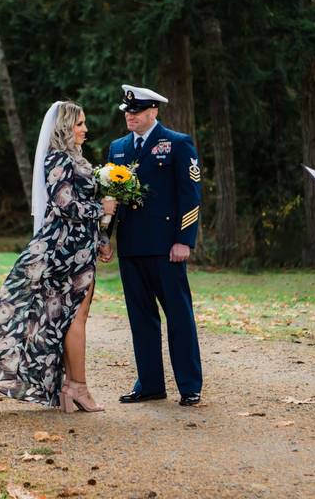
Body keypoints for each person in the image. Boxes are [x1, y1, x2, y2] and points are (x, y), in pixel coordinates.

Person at [0, 101, 116, 413]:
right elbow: (63, 205)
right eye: (79, 124)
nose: (85, 129)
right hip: (64, 250)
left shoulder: (76, 159)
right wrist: (100, 210)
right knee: (75, 316)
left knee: (74, 315)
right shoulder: (58, 159)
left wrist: (102, 237)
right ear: (65, 127)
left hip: (81, 247)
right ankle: (78, 387)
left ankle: (69, 386)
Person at [104, 84, 204, 406]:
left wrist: (183, 240)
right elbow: (112, 200)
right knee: (141, 318)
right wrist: (105, 238)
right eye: (127, 112)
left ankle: (189, 386)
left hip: (166, 248)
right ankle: (149, 384)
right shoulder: (118, 148)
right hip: (131, 247)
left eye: (136, 112)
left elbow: (191, 195)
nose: (130, 117)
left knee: (178, 317)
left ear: (153, 112)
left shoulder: (176, 144)